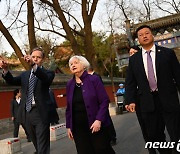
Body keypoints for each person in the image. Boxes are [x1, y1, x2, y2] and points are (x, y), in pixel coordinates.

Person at [125, 25, 180, 154]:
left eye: (147, 33)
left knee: (176, 133)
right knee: (156, 136)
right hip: (148, 102)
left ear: (152, 35)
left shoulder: (167, 54)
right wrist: (130, 100)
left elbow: (178, 75)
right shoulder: (134, 60)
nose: (144, 36)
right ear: (138, 39)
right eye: (141, 35)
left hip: (168, 99)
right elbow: (130, 82)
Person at [0, 47, 55, 154]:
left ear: (43, 59)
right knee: (36, 144)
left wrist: (33, 66)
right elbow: (11, 81)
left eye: (38, 57)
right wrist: (6, 69)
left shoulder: (48, 73)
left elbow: (45, 79)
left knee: (42, 143)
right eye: (33, 57)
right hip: (26, 113)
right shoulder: (25, 75)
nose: (35, 59)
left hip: (40, 113)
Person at [66, 55, 115, 154]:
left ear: (84, 65)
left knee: (102, 149)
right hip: (78, 127)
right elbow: (69, 107)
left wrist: (98, 120)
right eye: (71, 64)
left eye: (76, 62)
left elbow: (104, 100)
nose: (73, 65)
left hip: (95, 123)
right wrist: (69, 126)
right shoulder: (70, 84)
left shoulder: (94, 79)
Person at [87, 66, 117, 146]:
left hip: (101, 103)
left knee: (107, 120)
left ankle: (112, 137)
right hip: (96, 104)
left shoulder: (95, 77)